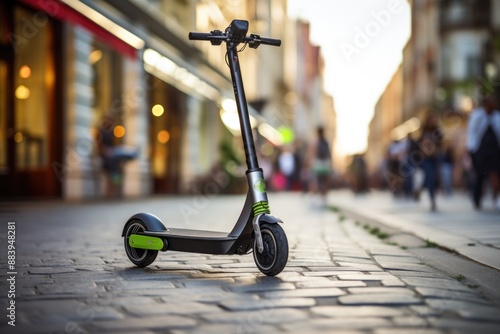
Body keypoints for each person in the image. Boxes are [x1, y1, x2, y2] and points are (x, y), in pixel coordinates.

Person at [466, 96, 500, 210]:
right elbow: (472, 132)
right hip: (480, 151)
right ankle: (477, 198)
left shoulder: (497, 117)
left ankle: (496, 199)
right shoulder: (477, 116)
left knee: (495, 174)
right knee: (480, 176)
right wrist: (471, 149)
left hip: (494, 152)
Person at [418, 114, 443, 211]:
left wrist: (436, 150)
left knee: (432, 177)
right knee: (430, 176)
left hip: (435, 158)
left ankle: (420, 189)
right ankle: (432, 200)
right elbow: (419, 144)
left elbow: (441, 145)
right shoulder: (423, 131)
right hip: (425, 159)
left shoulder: (437, 132)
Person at [309, 127, 332, 207]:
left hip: (321, 164)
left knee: (322, 181)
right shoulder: (318, 142)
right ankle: (317, 198)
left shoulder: (323, 142)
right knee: (316, 181)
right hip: (319, 163)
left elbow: (328, 154)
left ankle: (322, 198)